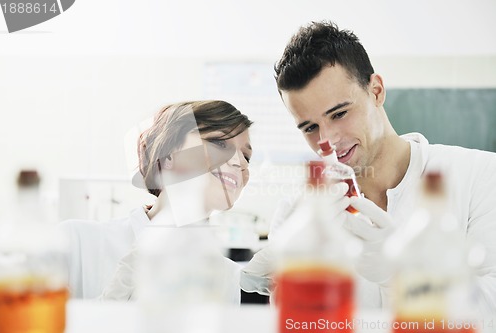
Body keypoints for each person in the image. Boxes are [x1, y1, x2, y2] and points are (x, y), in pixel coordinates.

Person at [241, 20, 496, 314]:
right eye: (309, 127)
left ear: (376, 91)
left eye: (339, 114)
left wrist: (399, 275)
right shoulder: (298, 213)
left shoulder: (480, 176)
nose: (327, 141)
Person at [59, 100, 253, 303]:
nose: (238, 162)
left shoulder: (226, 276)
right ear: (168, 155)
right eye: (220, 143)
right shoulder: (77, 241)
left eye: (246, 156)